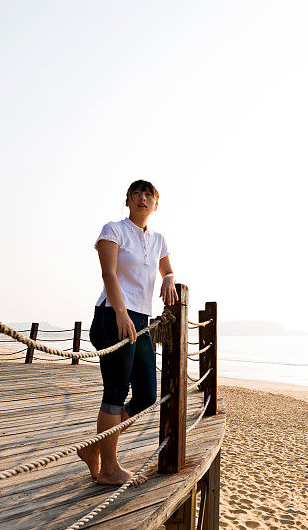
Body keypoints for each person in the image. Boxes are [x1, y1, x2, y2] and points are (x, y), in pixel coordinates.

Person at [77, 180, 178, 485]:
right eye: (137, 193)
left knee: (147, 394)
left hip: (142, 320)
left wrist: (169, 278)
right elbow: (108, 273)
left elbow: (167, 268)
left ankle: (94, 448)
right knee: (116, 391)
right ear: (128, 200)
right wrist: (121, 313)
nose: (143, 198)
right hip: (113, 315)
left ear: (156, 204)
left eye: (149, 195)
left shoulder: (158, 239)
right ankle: (109, 468)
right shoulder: (114, 229)